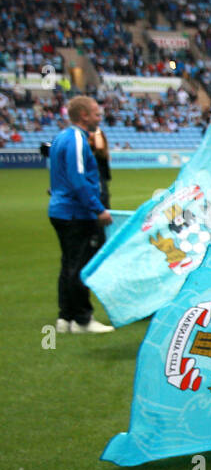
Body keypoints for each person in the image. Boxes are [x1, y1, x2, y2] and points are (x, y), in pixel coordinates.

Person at [48, 95, 113, 333]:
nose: (100, 117)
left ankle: (65, 318)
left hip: (61, 210)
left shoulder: (60, 137)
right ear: (84, 115)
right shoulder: (76, 138)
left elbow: (59, 176)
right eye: (96, 113)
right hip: (75, 213)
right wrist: (98, 208)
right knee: (80, 266)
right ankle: (83, 320)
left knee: (68, 264)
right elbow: (77, 179)